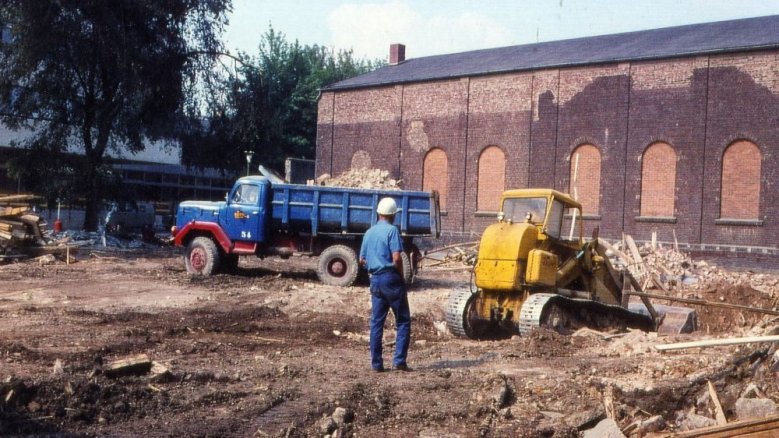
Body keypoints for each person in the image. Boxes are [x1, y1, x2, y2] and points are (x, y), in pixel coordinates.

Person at [359, 197, 412, 373]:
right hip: (391, 279)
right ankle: (399, 361)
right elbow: (397, 257)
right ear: (393, 215)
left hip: (375, 279)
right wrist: (400, 275)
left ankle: (376, 364)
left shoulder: (369, 232)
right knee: (403, 320)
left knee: (376, 323)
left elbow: (362, 260)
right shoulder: (392, 231)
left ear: (379, 213)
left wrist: (373, 267)